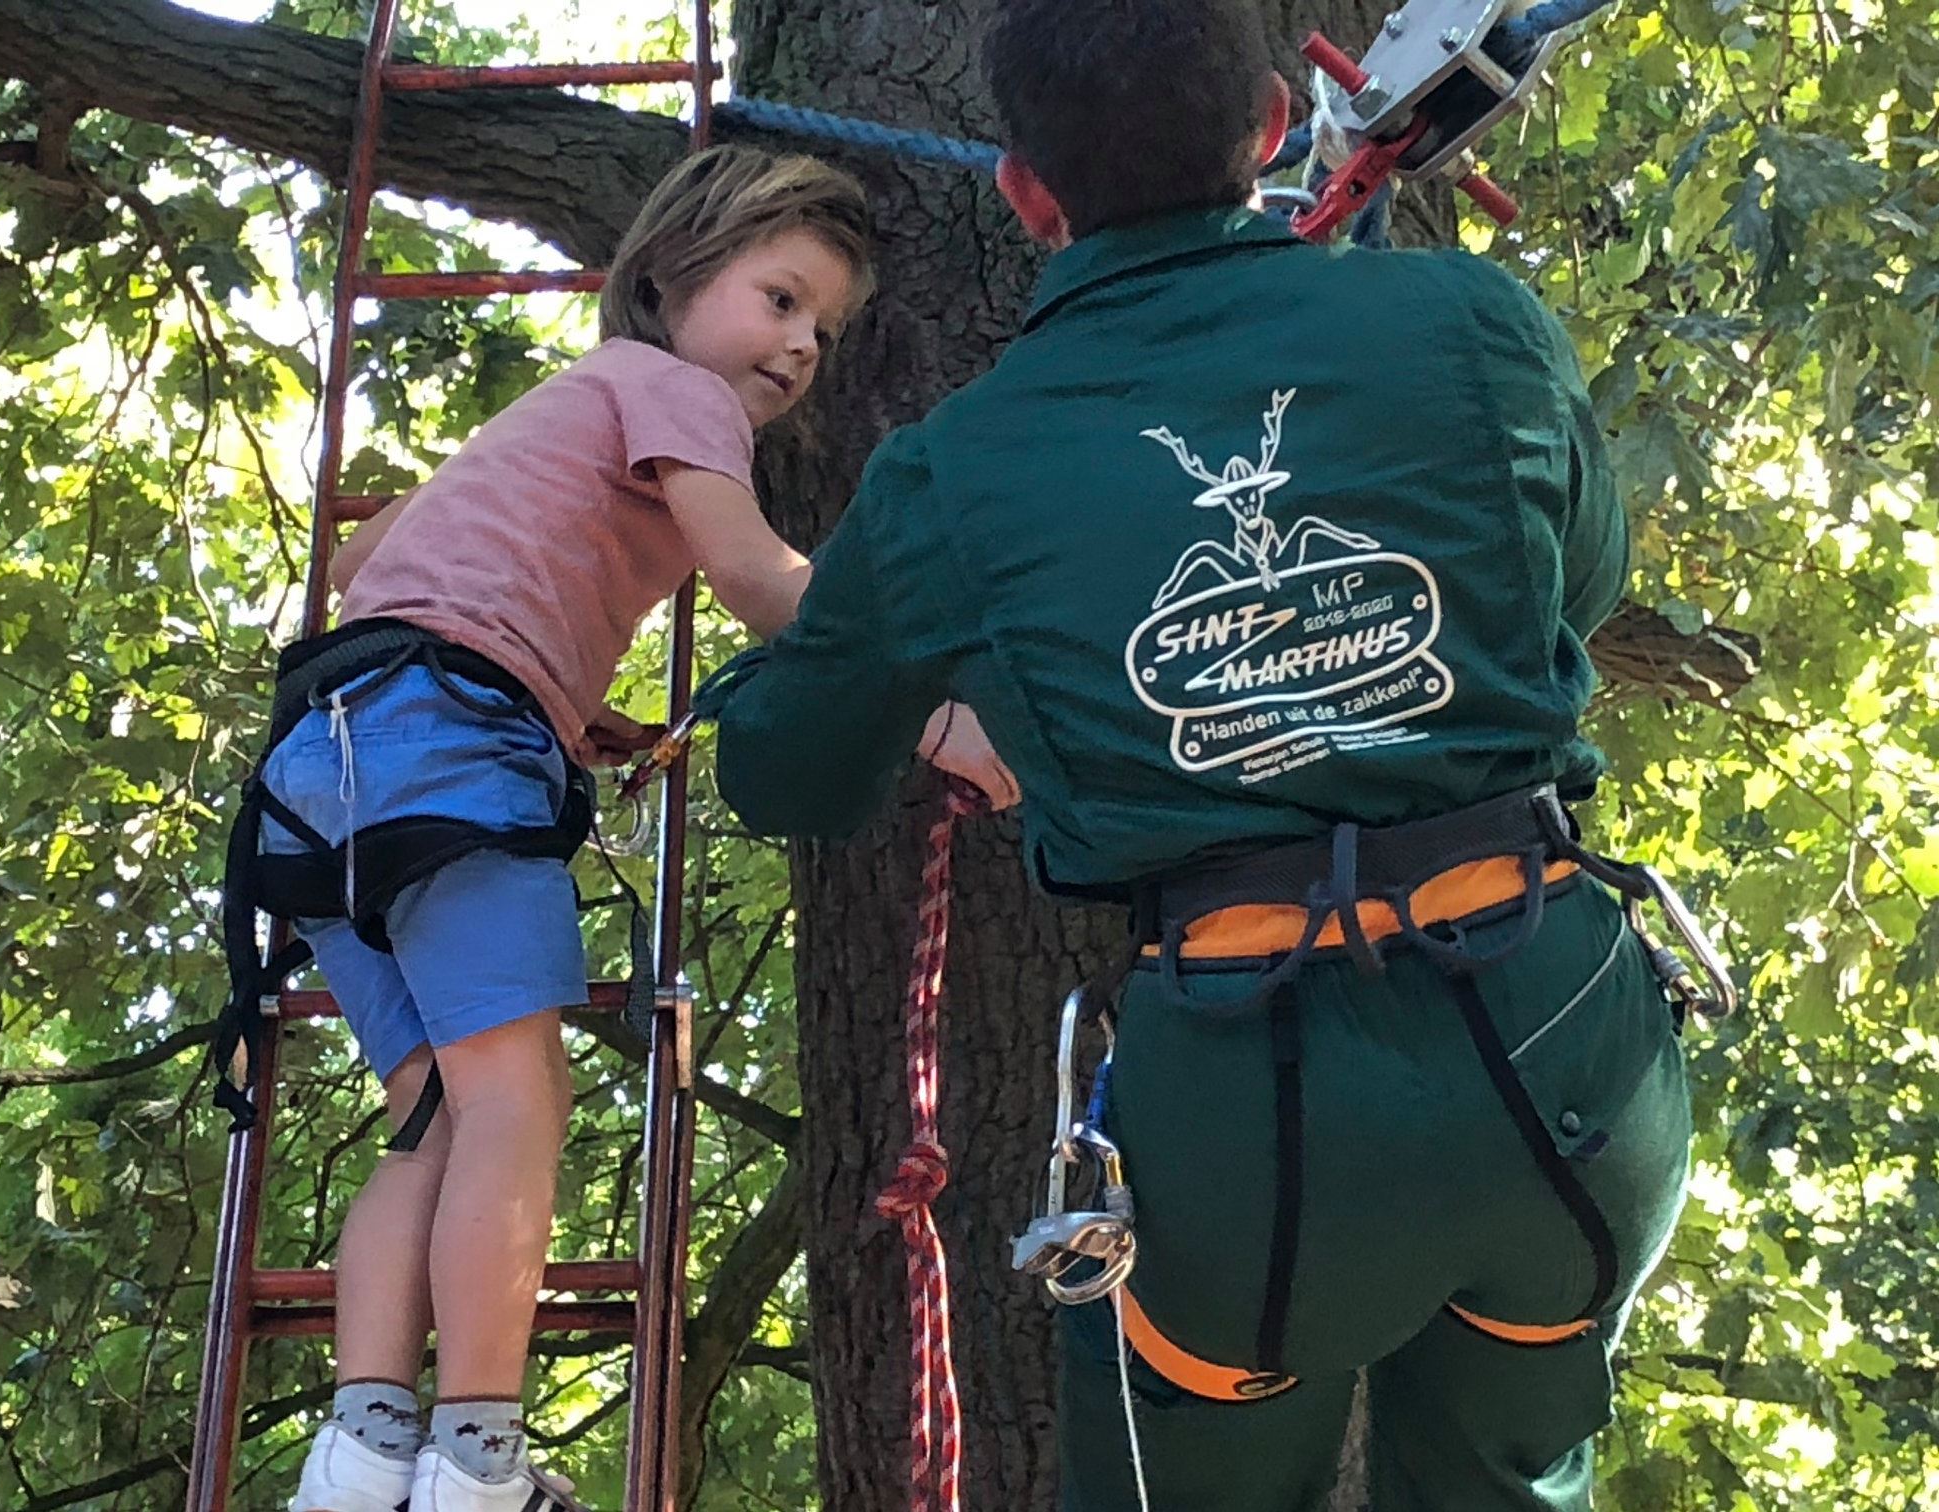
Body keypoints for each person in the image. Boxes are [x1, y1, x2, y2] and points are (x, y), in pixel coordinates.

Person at [692, 4, 1695, 1508]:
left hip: (1252, 1107)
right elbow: (1586, 587)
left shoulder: (958, 468)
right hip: (1566, 1055)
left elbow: (792, 774)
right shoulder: (1476, 328)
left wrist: (780, 679)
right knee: (1507, 1470)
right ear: (1278, 128)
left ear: (1025, 192)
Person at [250, 145, 1010, 1512]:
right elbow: (757, 577)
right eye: (781, 299)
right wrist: (920, 703)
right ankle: (478, 1457)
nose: (800, 348)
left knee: (426, 1120)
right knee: (513, 1105)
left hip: (326, 763)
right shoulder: (672, 391)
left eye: (823, 330)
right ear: (668, 278)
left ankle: (360, 1457)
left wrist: (554, 687)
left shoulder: (567, 403)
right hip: (446, 742)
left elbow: (366, 568)